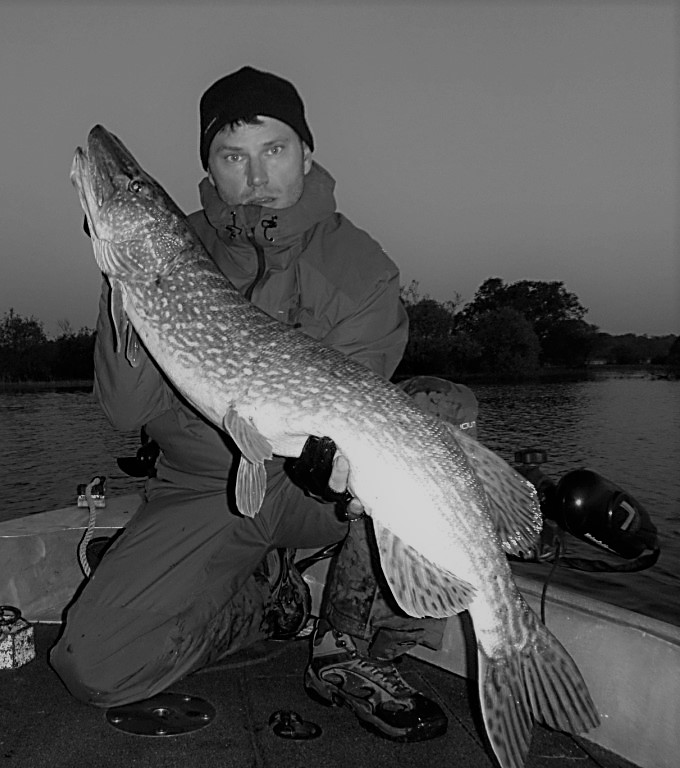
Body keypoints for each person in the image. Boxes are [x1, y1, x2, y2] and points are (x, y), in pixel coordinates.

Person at [51, 65, 478, 743]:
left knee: (437, 417)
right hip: (203, 489)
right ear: (210, 169)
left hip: (319, 497)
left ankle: (348, 648)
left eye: (273, 150)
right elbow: (127, 412)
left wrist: (335, 464)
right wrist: (122, 284)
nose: (254, 177)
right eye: (232, 157)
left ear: (306, 152)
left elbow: (360, 401)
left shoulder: (361, 267)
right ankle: (264, 605)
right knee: (93, 668)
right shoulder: (170, 250)